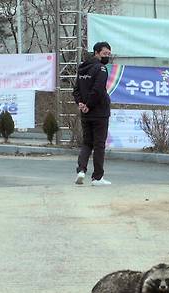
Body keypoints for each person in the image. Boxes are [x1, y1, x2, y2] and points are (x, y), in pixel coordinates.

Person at [72, 41, 112, 186]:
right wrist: (87, 105)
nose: (107, 56)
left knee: (87, 142)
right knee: (99, 144)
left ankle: (81, 170)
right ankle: (97, 177)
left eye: (108, 54)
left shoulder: (82, 67)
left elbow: (76, 90)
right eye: (104, 53)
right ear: (96, 52)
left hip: (86, 112)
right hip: (99, 112)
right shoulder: (100, 68)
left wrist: (81, 104)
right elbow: (98, 90)